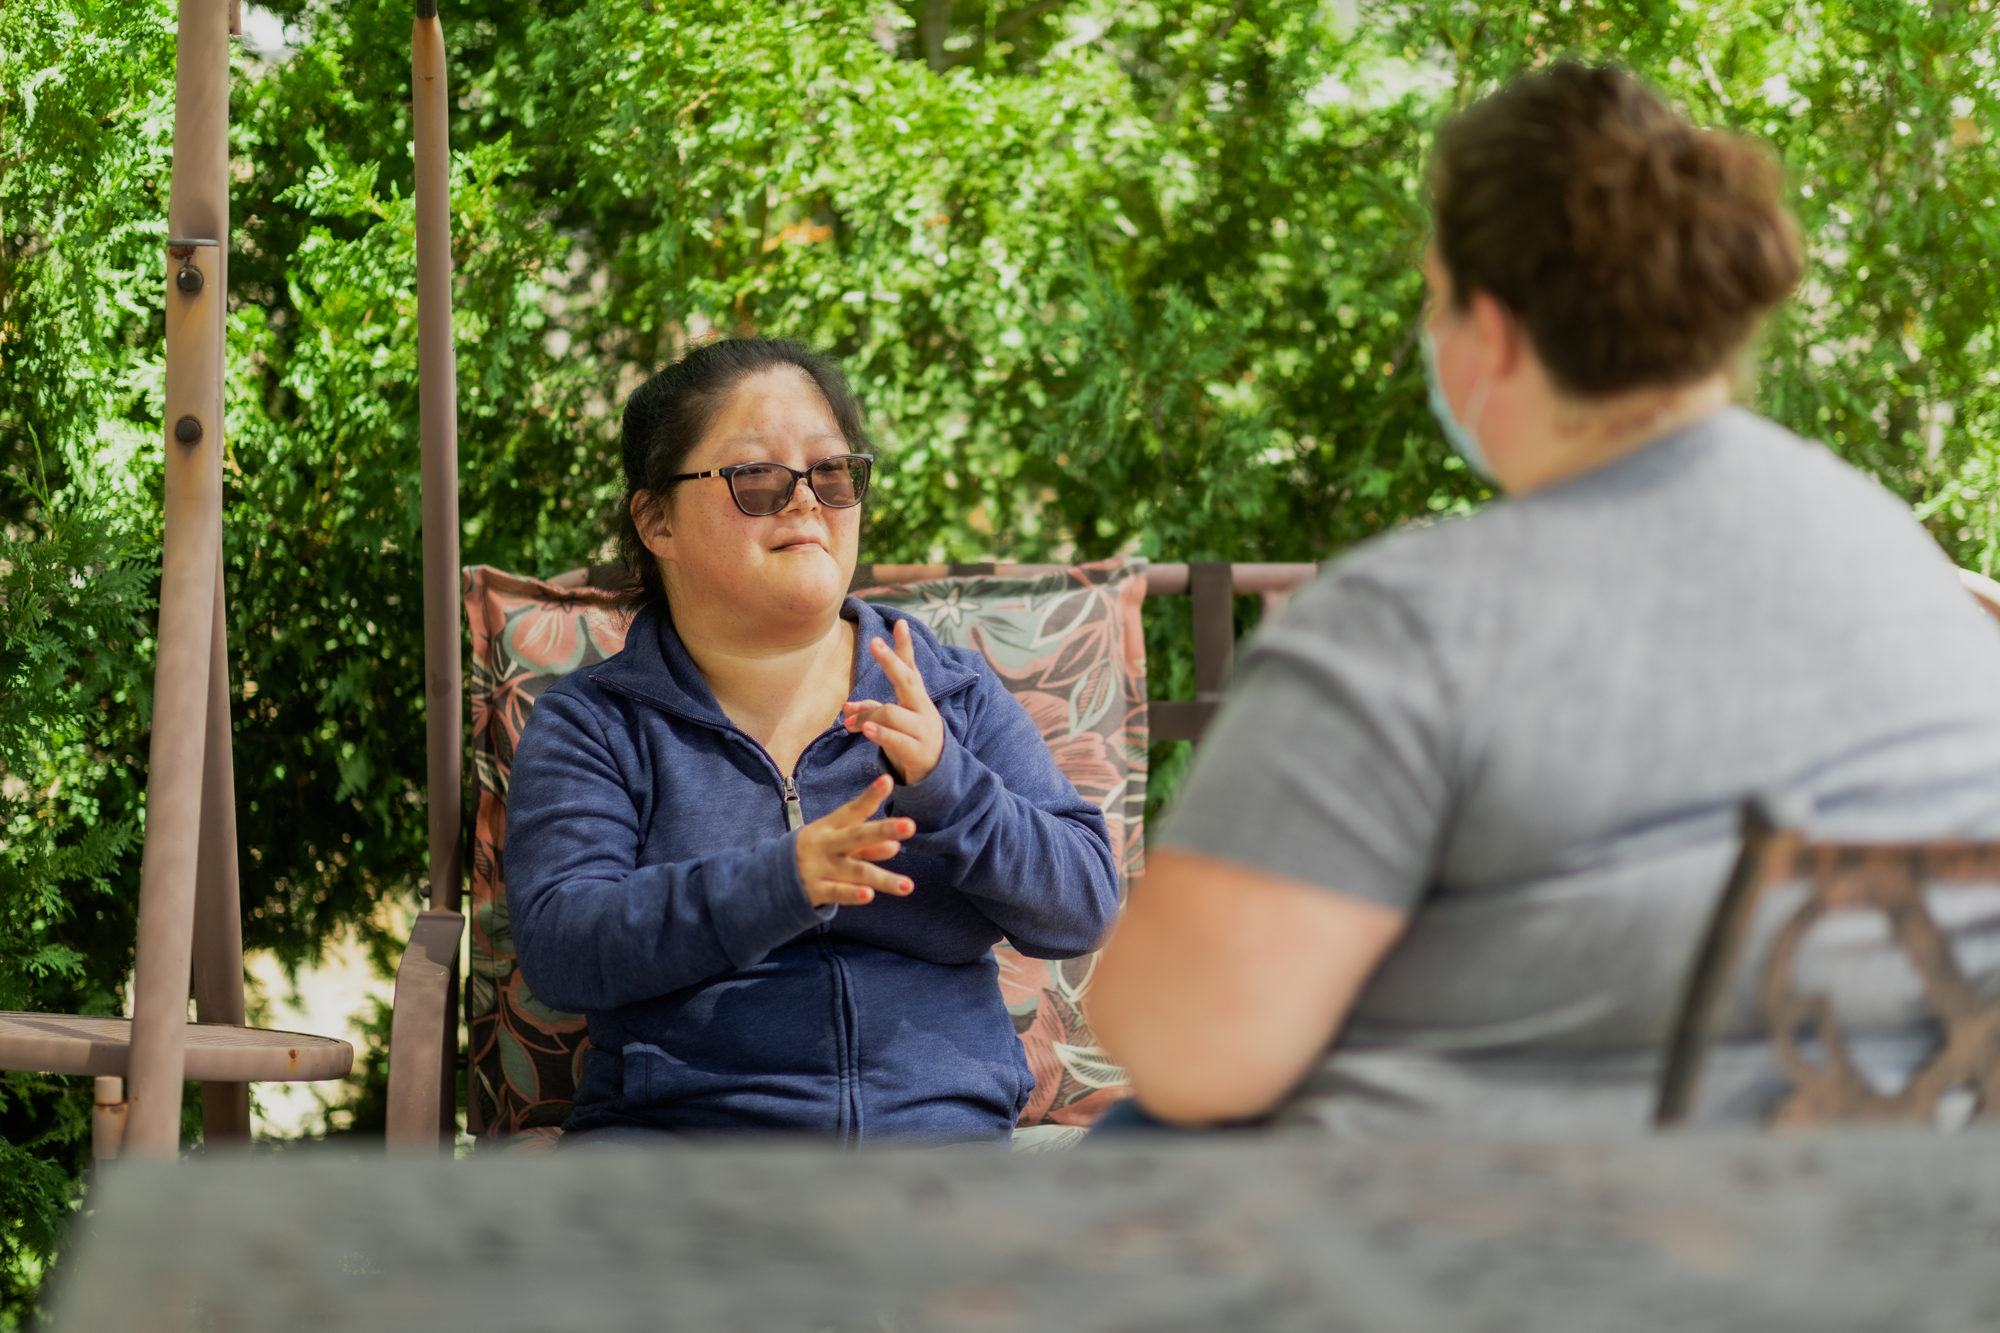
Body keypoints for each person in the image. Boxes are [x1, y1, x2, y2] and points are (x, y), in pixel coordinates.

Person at [1087, 60, 2000, 1137]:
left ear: (1496, 331)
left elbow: (1184, 1046)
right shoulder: (1910, 575)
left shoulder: (1411, 627)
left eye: (1432, 300)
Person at [506, 338, 1119, 1144]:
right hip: (682, 1157)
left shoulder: (947, 693)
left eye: (832, 474)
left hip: (940, 1156)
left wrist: (951, 787)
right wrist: (780, 881)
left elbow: (1081, 905)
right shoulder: (597, 723)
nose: (806, 501)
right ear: (657, 519)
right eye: (757, 478)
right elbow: (564, 946)